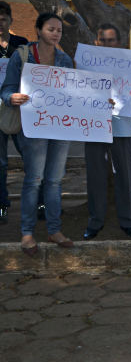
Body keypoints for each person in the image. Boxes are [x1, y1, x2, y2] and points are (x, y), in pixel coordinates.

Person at [1, 14, 75, 255]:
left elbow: (72, 93)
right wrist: (11, 98)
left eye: (59, 31)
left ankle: (54, 230)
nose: (55, 34)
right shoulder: (21, 55)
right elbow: (7, 89)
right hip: (32, 128)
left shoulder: (64, 59)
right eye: (51, 29)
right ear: (38, 30)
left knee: (54, 180)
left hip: (60, 127)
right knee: (33, 180)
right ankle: (27, 234)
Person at [83, 24, 131, 240]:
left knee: (125, 175)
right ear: (96, 42)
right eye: (102, 40)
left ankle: (128, 222)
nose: (106, 44)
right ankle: (95, 221)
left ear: (119, 42)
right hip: (93, 127)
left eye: (111, 40)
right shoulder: (85, 63)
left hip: (122, 127)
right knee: (95, 175)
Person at [0, 1, 28, 224]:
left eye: (3, 19)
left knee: (30, 157)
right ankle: (2, 204)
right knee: (0, 162)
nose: (0, 23)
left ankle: (38, 201)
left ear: (10, 20)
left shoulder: (21, 45)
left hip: (20, 110)